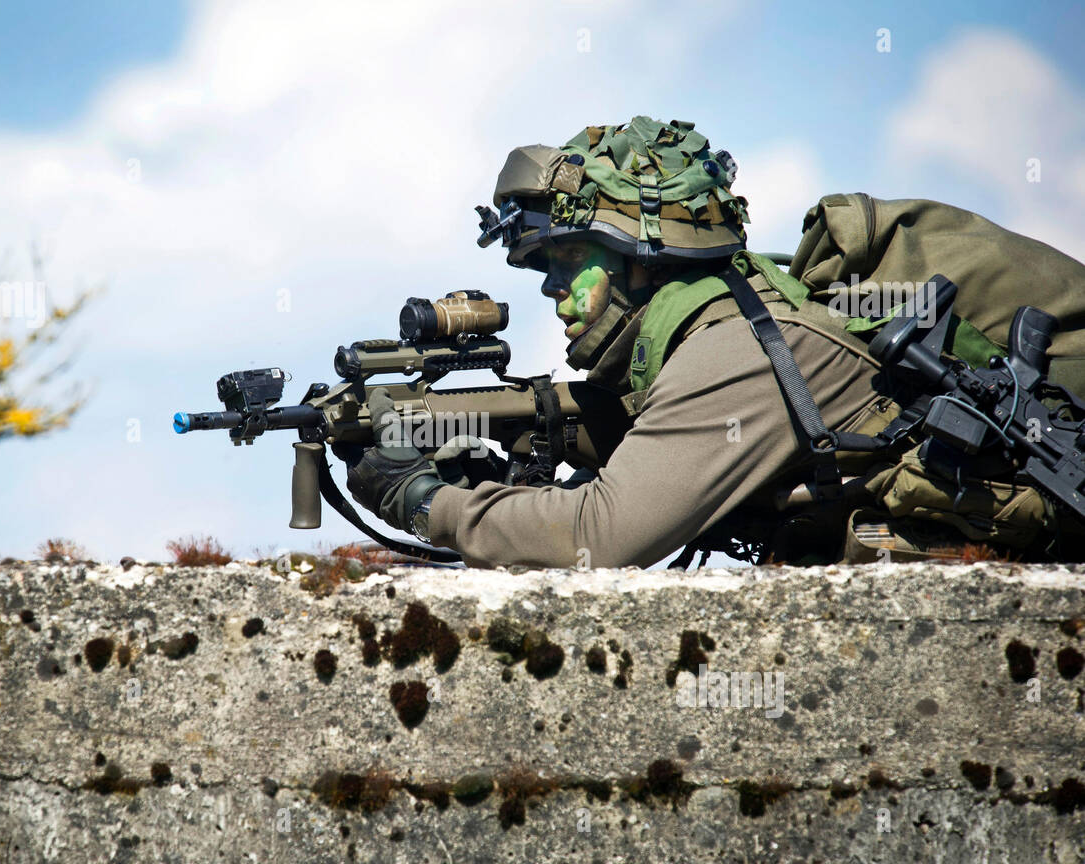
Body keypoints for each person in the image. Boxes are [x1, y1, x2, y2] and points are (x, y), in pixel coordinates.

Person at [344, 117, 1083, 567]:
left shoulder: (734, 355)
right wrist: (496, 440)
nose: (550, 290)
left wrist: (424, 500)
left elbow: (597, 539)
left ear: (639, 256)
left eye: (567, 262)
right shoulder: (725, 322)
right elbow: (635, 430)